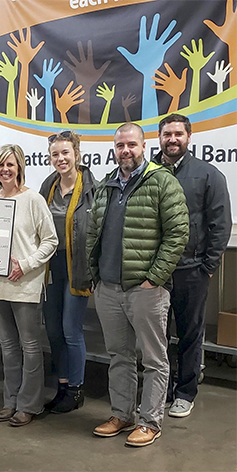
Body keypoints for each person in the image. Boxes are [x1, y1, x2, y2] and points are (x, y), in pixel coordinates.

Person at [87, 123, 189, 447]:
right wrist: (96, 276)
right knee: (119, 356)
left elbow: (178, 233)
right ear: (114, 149)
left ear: (144, 146)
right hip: (109, 288)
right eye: (120, 145)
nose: (126, 150)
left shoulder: (162, 181)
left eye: (132, 144)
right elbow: (93, 233)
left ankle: (150, 422)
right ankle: (122, 414)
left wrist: (154, 278)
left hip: (145, 290)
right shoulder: (106, 185)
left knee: (154, 359)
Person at [152, 114, 232, 418]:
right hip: (154, 271)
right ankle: (159, 391)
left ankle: (185, 393)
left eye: (178, 134)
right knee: (155, 335)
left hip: (191, 270)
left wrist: (207, 266)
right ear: (159, 138)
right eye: (167, 134)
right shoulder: (147, 172)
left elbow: (220, 224)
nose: (172, 139)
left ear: (189, 137)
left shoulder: (208, 174)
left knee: (189, 334)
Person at [0, 144, 57, 427]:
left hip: (26, 284)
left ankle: (29, 404)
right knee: (8, 346)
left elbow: (51, 240)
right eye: (0, 165)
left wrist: (26, 265)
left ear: (20, 167)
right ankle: (10, 401)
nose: (5, 170)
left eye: (10, 164)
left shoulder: (33, 200)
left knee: (30, 346)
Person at [39, 131, 95, 413]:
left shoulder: (92, 189)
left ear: (76, 154)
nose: (60, 159)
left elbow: (98, 232)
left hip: (78, 266)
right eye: (55, 154)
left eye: (65, 153)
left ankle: (76, 389)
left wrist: (94, 270)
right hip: (51, 266)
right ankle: (62, 386)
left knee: (71, 329)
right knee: (53, 330)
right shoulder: (48, 186)